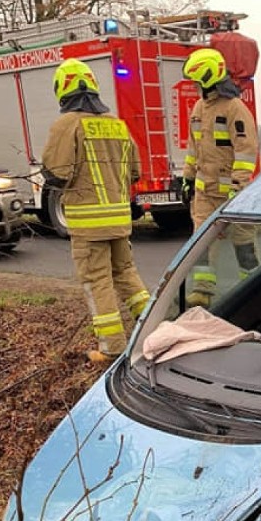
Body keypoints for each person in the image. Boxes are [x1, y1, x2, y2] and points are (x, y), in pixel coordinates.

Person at [41, 59, 149, 364]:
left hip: (89, 225)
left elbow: (57, 173)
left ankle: (112, 346)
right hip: (119, 220)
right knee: (127, 275)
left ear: (62, 89)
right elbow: (135, 171)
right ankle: (153, 328)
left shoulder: (68, 124)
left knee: (97, 280)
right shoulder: (116, 124)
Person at [181, 47, 259, 306]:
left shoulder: (234, 108)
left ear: (207, 78)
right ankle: (202, 291)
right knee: (201, 243)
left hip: (234, 194)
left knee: (243, 243)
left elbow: (246, 150)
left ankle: (255, 288)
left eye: (196, 81)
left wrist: (238, 186)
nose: (193, 87)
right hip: (205, 193)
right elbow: (194, 148)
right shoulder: (198, 109)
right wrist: (188, 178)